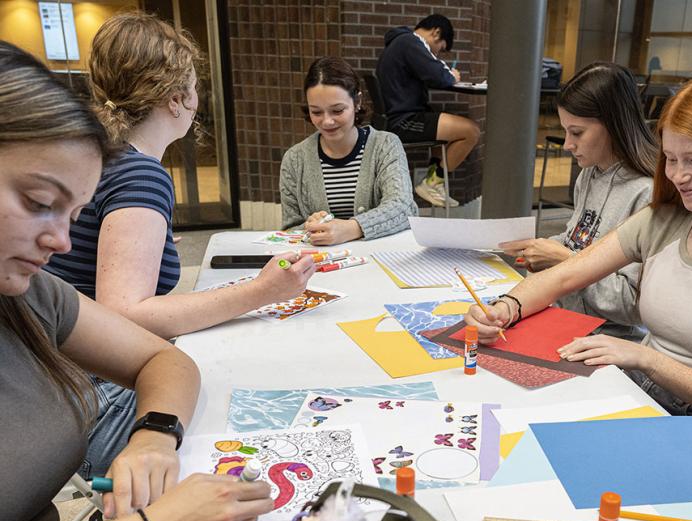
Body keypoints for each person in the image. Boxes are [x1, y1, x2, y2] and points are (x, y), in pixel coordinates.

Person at [0, 41, 274, 521]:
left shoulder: (27, 294)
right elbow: (132, 310)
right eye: (39, 203)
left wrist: (155, 434)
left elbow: (161, 360)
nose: (63, 244)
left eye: (72, 215)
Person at [467, 70, 692, 445]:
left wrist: (644, 357)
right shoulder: (664, 220)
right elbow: (564, 275)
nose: (679, 176)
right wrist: (505, 308)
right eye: (670, 159)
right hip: (637, 389)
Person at [44, 13, 314, 478]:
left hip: (57, 379)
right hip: (92, 394)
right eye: (193, 87)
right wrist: (261, 292)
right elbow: (125, 313)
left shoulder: (101, 156)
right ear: (176, 98)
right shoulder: (140, 173)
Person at [499, 62, 658, 339]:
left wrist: (562, 260)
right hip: (563, 316)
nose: (567, 145)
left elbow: (632, 305)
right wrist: (545, 250)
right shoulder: (589, 175)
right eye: (566, 131)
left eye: (577, 132)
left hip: (607, 340)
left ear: (613, 124)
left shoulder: (647, 192)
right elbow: (579, 239)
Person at [280, 56, 417, 245]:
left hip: (381, 260)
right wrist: (309, 226)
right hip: (322, 266)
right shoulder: (295, 159)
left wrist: (351, 228)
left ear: (357, 102)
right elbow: (290, 229)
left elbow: (403, 208)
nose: (327, 121)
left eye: (337, 111)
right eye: (316, 112)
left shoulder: (386, 146)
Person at [376, 13, 480, 208]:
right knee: (471, 131)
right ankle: (434, 183)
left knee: (442, 123)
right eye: (441, 48)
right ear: (436, 32)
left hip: (398, 116)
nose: (437, 54)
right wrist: (452, 75)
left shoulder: (401, 42)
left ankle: (434, 183)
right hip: (403, 121)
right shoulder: (411, 43)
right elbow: (439, 76)